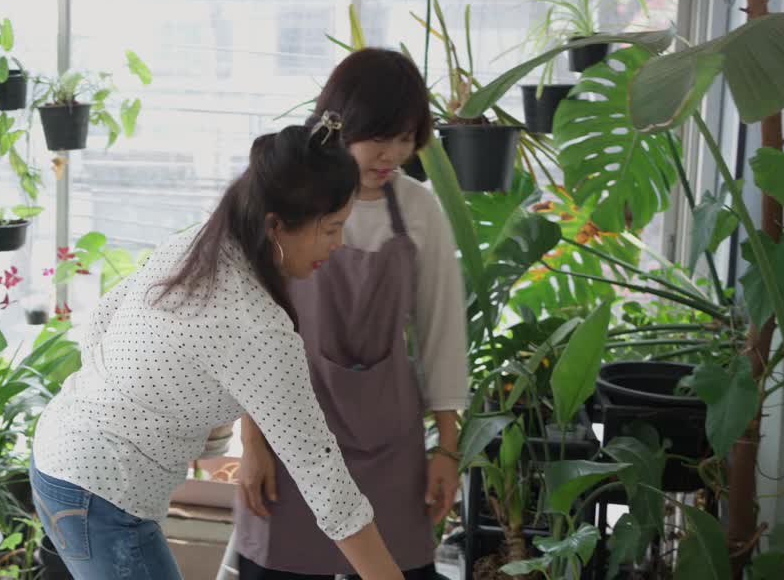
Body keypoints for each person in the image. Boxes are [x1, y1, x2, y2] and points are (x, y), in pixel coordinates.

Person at [31, 114, 405, 580]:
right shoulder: (257, 329)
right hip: (102, 495)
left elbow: (104, 318)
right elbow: (323, 478)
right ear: (276, 225)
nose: (339, 243)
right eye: (330, 228)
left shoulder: (199, 245)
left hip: (57, 455)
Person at [233, 49, 469, 580]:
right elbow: (245, 335)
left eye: (406, 139)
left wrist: (448, 450)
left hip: (388, 436)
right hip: (291, 427)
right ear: (338, 123)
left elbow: (443, 331)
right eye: (379, 137)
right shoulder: (286, 201)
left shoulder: (420, 210)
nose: (392, 154)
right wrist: (252, 443)